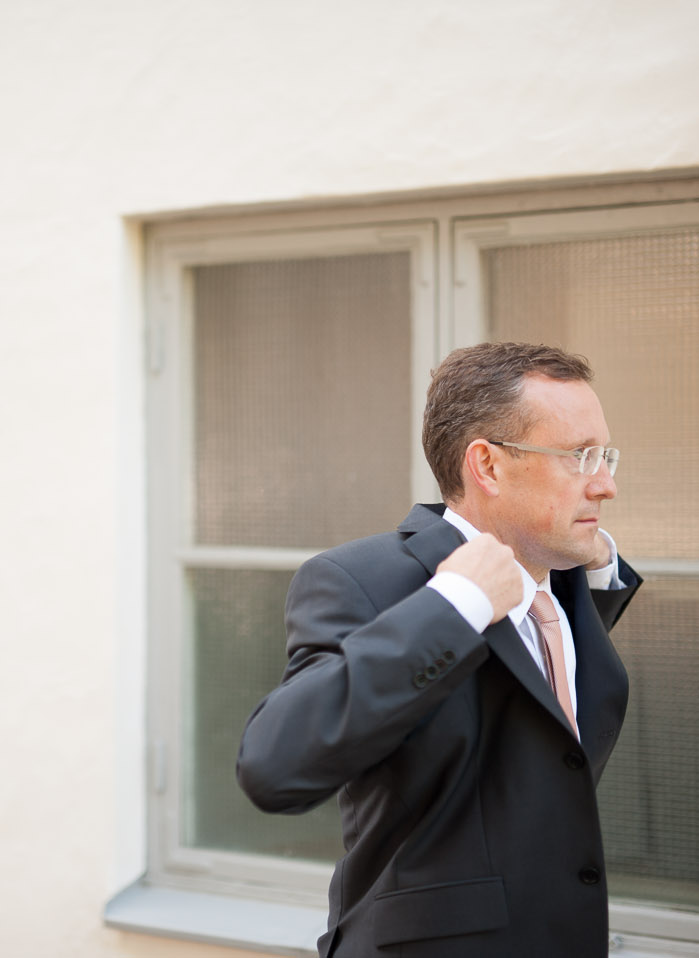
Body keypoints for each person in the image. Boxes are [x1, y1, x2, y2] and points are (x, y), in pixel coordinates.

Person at [236, 341, 641, 958]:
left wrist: (594, 562)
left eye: (605, 456)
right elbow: (275, 767)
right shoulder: (361, 580)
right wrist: (456, 605)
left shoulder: (563, 582)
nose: (606, 485)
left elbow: (535, 726)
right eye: (579, 457)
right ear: (488, 465)